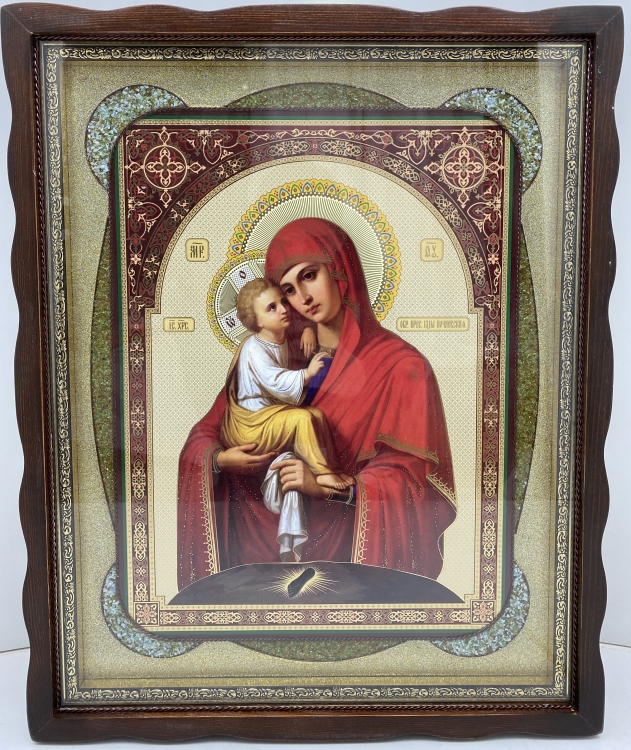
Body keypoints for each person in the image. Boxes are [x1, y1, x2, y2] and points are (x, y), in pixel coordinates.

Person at [177, 217, 456, 590]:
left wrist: (324, 488)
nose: (303, 298)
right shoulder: (278, 352)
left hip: (352, 568)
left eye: (309, 275)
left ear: (340, 269)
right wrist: (220, 460)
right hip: (257, 562)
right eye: (288, 290)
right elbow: (206, 433)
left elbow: (412, 484)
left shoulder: (403, 367)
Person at [220, 277, 354, 561]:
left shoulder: (278, 336)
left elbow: (297, 328)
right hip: (250, 425)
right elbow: (275, 381)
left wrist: (306, 329)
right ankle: (322, 473)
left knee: (315, 414)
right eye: (272, 308)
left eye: (283, 302)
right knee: (301, 419)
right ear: (257, 322)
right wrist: (307, 373)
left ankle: (328, 467)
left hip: (267, 417)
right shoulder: (253, 347)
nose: (283, 309)